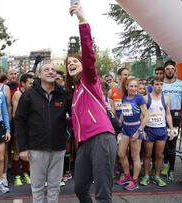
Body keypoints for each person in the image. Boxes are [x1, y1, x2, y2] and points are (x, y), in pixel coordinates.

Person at [65, 4, 117, 202]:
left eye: (74, 61)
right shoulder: (76, 91)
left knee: (103, 194)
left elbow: (88, 54)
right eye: (68, 62)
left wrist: (82, 20)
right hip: (84, 143)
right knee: (79, 188)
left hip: (101, 137)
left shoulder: (89, 81)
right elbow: (77, 119)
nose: (71, 63)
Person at [15, 63, 70, 203]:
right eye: (46, 69)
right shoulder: (29, 95)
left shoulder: (63, 95)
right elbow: (20, 121)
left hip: (58, 148)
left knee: (54, 187)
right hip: (36, 148)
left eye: (53, 70)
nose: (51, 72)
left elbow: (76, 114)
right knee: (37, 188)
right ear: (40, 75)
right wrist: (22, 148)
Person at [140, 76, 176, 187]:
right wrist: (143, 130)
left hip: (161, 129)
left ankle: (156, 176)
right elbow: (142, 115)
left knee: (159, 155)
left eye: (161, 84)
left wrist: (171, 128)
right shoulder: (146, 98)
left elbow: (168, 114)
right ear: (152, 85)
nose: (159, 86)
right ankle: (146, 176)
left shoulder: (166, 99)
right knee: (147, 154)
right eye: (157, 84)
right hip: (149, 129)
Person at [116, 77, 149, 190]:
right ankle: (127, 176)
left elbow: (146, 116)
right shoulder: (124, 97)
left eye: (135, 86)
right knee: (121, 153)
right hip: (125, 129)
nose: (134, 88)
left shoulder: (139, 98)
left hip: (136, 129)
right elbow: (123, 113)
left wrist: (139, 131)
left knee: (135, 157)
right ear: (126, 87)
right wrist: (118, 123)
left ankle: (134, 181)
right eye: (131, 86)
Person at [161, 59, 182, 181]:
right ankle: (165, 164)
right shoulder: (159, 84)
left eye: (172, 69)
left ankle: (171, 170)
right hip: (161, 115)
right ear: (164, 71)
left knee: (172, 143)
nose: (170, 71)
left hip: (175, 115)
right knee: (162, 143)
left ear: (175, 70)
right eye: (167, 69)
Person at [11, 73, 34, 186]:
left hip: (31, 128)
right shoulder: (17, 94)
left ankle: (25, 174)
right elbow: (16, 115)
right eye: (30, 83)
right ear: (23, 83)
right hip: (20, 128)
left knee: (29, 152)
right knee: (17, 152)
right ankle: (16, 176)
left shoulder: (34, 93)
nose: (32, 85)